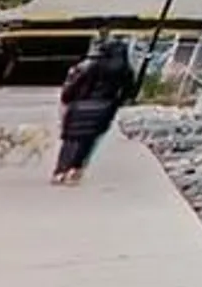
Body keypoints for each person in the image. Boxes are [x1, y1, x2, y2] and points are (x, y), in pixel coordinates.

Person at [54, 36, 140, 182]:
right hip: (105, 108)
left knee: (70, 139)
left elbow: (77, 84)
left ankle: (60, 171)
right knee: (88, 141)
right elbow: (129, 91)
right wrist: (117, 102)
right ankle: (76, 169)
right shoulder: (126, 70)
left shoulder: (93, 66)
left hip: (80, 106)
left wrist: (67, 97)